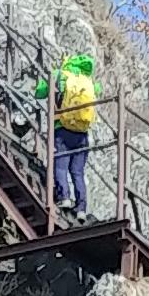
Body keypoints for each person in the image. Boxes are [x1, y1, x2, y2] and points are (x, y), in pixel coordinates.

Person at [51, 51, 98, 216]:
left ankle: (64, 197)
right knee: (77, 172)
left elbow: (41, 90)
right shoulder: (88, 81)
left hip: (62, 129)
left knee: (61, 166)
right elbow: (98, 90)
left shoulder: (61, 75)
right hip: (82, 133)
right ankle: (81, 208)